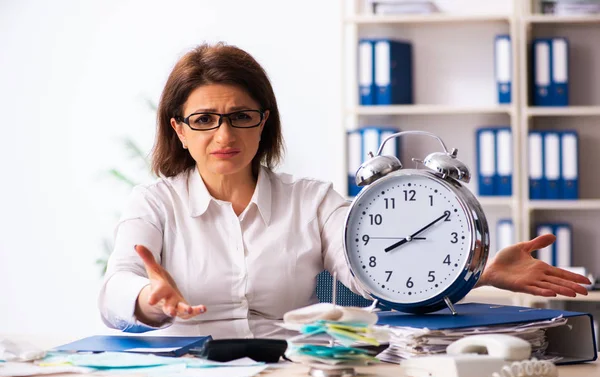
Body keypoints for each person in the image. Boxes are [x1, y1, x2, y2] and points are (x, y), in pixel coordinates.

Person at [98, 42, 591, 339]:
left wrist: (474, 272)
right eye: (204, 120)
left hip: (287, 373)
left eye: (241, 117)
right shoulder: (154, 203)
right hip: (185, 376)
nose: (224, 136)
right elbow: (114, 288)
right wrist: (147, 296)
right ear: (179, 130)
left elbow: (371, 275)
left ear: (263, 122)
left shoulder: (311, 200)